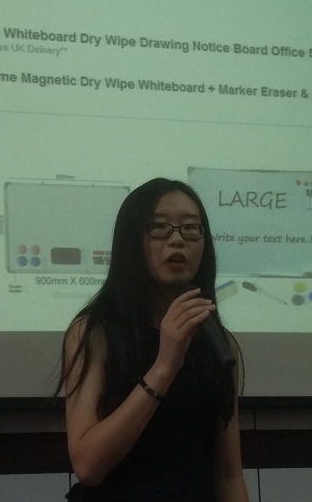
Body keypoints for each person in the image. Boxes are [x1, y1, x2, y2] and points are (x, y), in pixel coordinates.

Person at [58, 177, 247, 502]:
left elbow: (228, 476)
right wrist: (165, 365)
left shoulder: (218, 343)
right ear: (131, 240)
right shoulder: (94, 332)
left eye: (191, 228)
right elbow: (88, 466)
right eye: (159, 227)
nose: (177, 240)